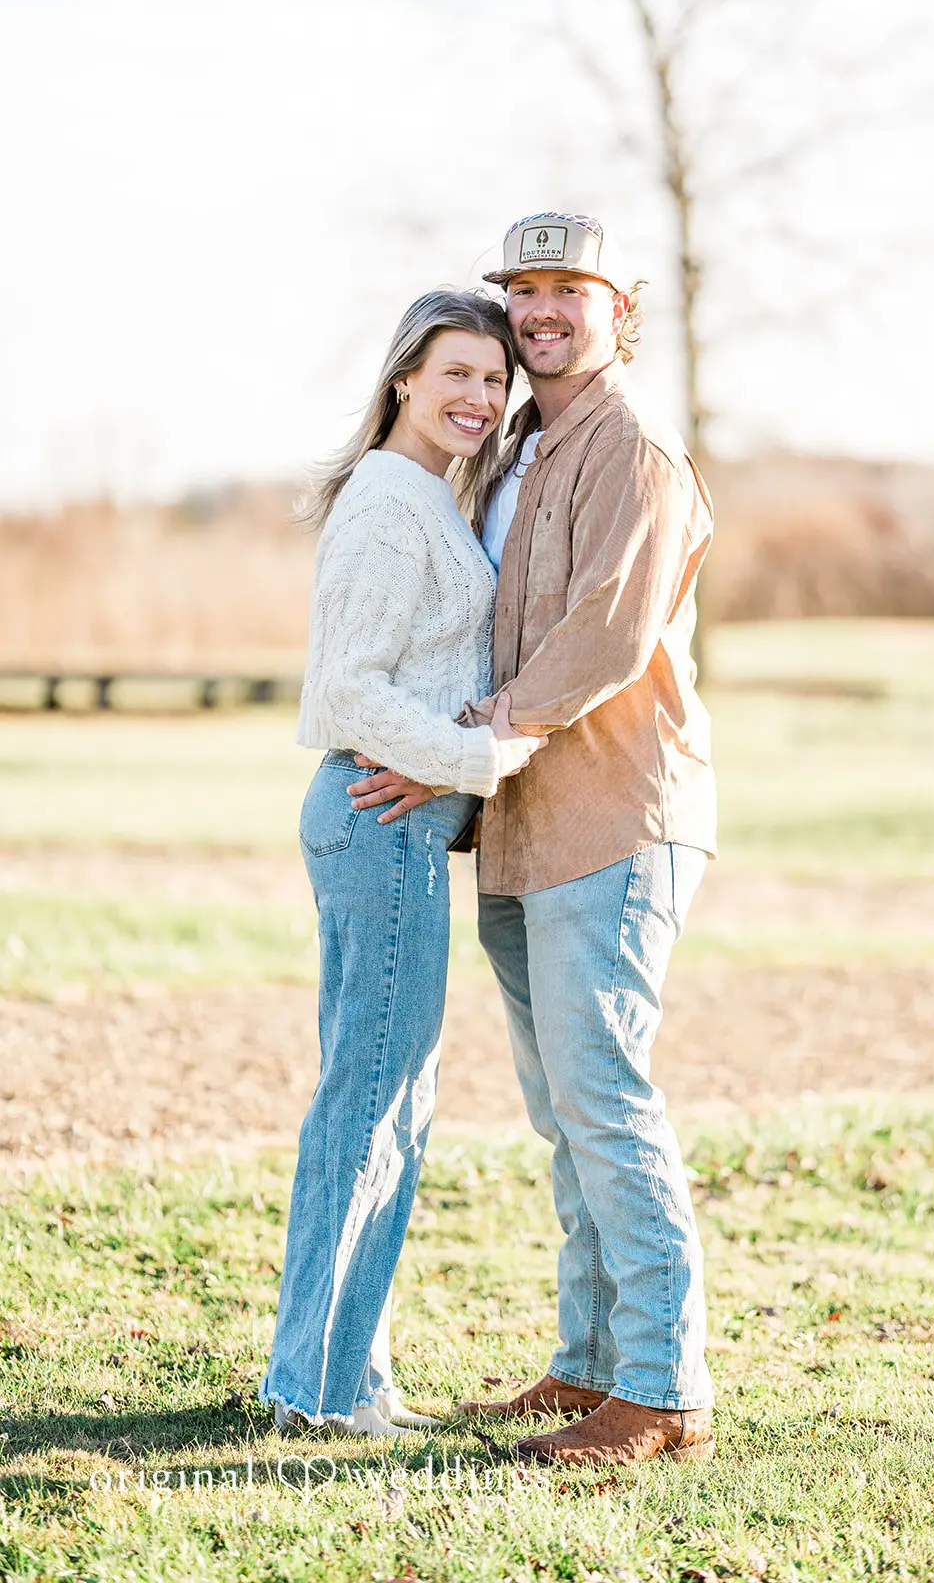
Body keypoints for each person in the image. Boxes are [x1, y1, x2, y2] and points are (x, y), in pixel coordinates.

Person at [348, 212, 718, 1466]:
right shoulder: (521, 450)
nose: (544, 309)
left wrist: (460, 737)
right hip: (518, 824)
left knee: (605, 1097)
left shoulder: (635, 452)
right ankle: (590, 1361)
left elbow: (608, 637)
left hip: (614, 814)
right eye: (527, 290)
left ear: (620, 309)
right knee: (564, 1109)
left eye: (573, 289)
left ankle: (661, 1390)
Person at [259, 289, 545, 1440]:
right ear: (402, 381)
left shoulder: (422, 495)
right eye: (457, 375)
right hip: (376, 825)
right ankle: (317, 1389)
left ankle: (344, 1377)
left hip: (395, 826)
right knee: (369, 1105)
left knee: (389, 1101)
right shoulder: (388, 503)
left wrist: (448, 763)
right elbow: (344, 694)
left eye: (494, 381)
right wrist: (482, 757)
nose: (479, 398)